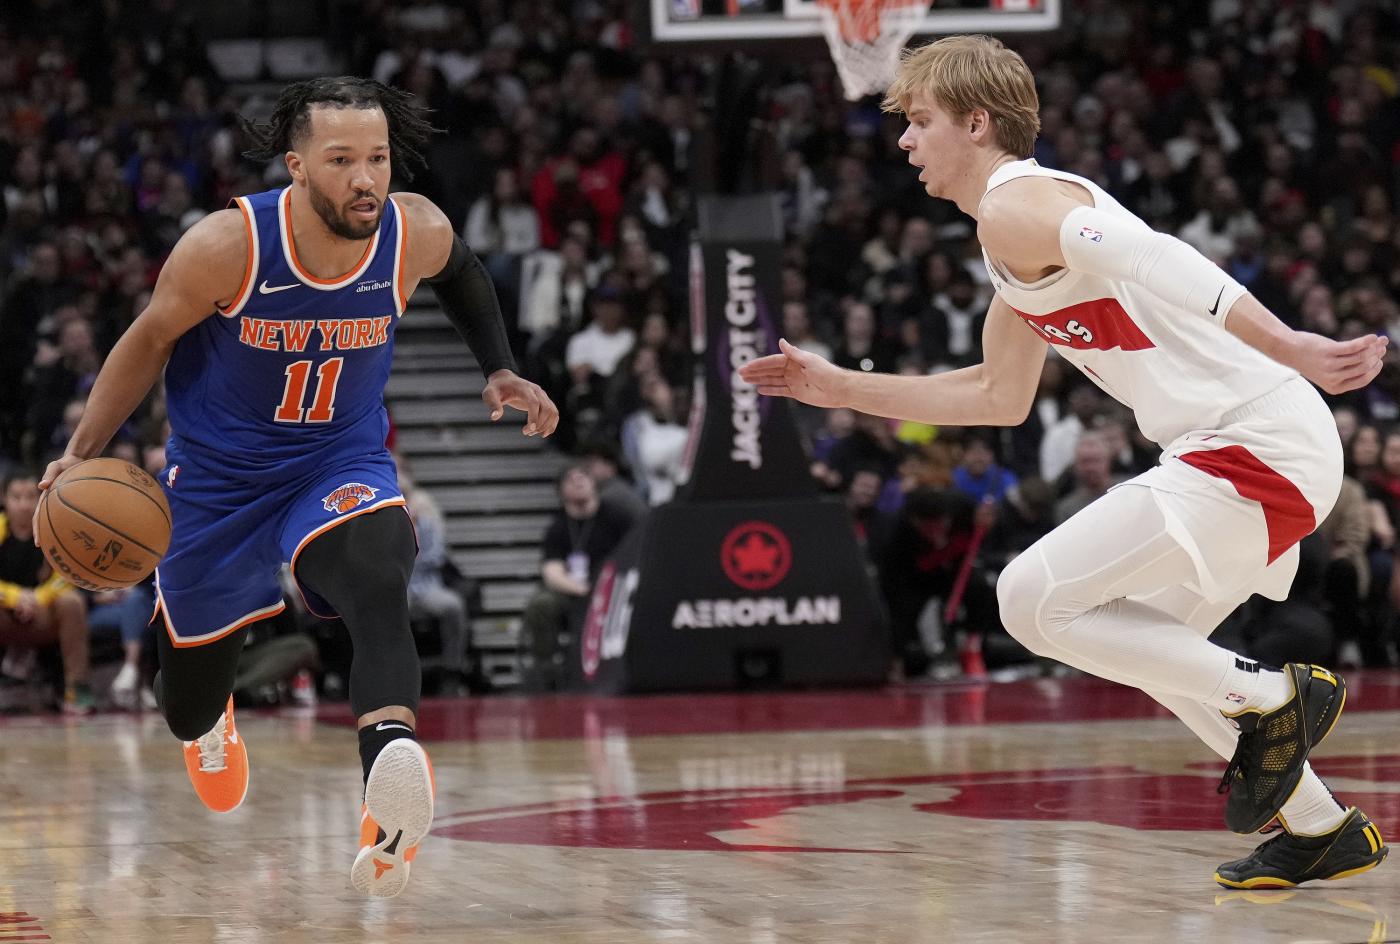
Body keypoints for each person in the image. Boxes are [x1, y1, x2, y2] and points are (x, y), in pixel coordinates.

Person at [739, 35, 1390, 889]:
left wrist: (1290, 342)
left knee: (1028, 598)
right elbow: (995, 397)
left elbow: (1159, 254)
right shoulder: (1004, 243)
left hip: (1252, 438)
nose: (904, 141)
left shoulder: (1020, 203)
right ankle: (1319, 827)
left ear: (977, 124)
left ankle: (1276, 696)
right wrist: (839, 388)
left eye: (920, 120)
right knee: (1158, 648)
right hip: (1248, 447)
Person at [35, 77, 558, 898]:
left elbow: (464, 275)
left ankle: (387, 764)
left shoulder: (413, 231)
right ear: (296, 166)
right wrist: (79, 451)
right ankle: (211, 722)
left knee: (380, 576)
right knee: (186, 710)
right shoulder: (226, 246)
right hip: (216, 484)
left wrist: (499, 368)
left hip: (335, 461)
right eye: (342, 159)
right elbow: (145, 342)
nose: (366, 179)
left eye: (379, 158)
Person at [0, 469, 92, 713]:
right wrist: (13, 597)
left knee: (72, 602)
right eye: (16, 497)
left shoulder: (55, 529)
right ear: (4, 499)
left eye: (30, 497)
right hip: (4, 615)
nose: (23, 505)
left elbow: (66, 577)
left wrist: (36, 599)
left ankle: (77, 690)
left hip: (42, 616)